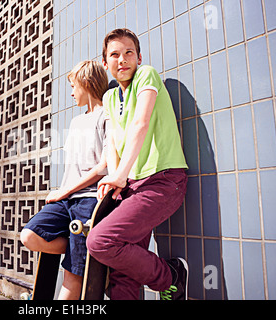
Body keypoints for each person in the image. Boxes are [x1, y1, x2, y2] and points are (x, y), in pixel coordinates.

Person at [86, 28, 189, 300]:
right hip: (132, 186)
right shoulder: (109, 98)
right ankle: (165, 282)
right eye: (115, 55)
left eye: (129, 52)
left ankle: (170, 277)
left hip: (163, 180)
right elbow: (112, 145)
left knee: (101, 241)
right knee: (122, 273)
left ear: (139, 57)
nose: (122, 60)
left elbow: (141, 123)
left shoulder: (147, 75)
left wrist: (119, 176)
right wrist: (116, 181)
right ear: (106, 63)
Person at [20, 60, 109, 300]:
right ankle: (81, 248)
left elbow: (105, 166)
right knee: (29, 235)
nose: (71, 92)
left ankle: (85, 255)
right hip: (67, 199)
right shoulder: (76, 122)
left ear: (86, 83)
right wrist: (63, 192)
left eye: (73, 86)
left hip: (90, 201)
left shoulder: (106, 115)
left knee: (72, 277)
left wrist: (64, 190)